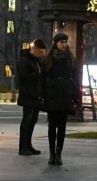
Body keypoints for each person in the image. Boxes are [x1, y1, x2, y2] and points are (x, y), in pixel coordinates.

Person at [40, 32, 80, 166]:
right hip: (52, 94)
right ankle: (51, 154)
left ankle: (58, 154)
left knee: (62, 126)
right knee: (52, 126)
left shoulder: (71, 59)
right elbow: (43, 79)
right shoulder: (48, 59)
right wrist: (43, 95)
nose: (64, 44)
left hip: (65, 94)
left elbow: (76, 79)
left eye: (65, 42)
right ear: (56, 43)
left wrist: (76, 97)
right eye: (61, 42)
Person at [14, 38, 46, 156]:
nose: (42, 54)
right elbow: (22, 76)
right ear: (34, 49)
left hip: (36, 95)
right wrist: (38, 75)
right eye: (40, 52)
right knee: (27, 120)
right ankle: (23, 147)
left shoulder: (37, 61)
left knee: (33, 120)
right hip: (28, 95)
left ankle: (29, 145)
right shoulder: (24, 60)